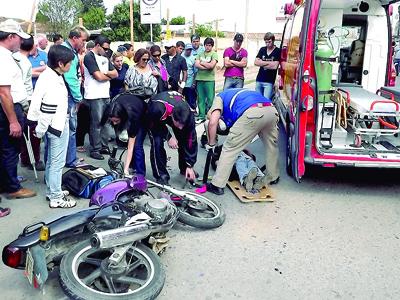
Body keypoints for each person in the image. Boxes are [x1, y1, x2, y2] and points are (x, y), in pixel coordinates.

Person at [28, 45, 76, 208]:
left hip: (55, 124)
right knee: (57, 163)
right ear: (61, 63)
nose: (71, 66)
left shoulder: (52, 74)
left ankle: (52, 189)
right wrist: (40, 130)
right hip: (56, 126)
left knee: (52, 161)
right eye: (69, 63)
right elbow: (47, 109)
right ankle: (55, 197)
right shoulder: (51, 79)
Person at [205, 88, 280, 195]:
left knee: (230, 148)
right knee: (272, 145)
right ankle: (273, 177)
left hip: (252, 113)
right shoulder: (240, 94)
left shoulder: (219, 98)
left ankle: (217, 185)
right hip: (271, 111)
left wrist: (211, 143)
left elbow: (212, 122)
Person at [0, 19, 36, 200]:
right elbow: (4, 92)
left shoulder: (6, 55)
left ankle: (7, 183)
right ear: (11, 37)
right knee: (10, 149)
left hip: (8, 107)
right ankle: (12, 188)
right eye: (18, 39)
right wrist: (13, 120)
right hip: (8, 108)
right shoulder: (4, 57)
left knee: (6, 149)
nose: (21, 42)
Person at [147, 91, 198, 185]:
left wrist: (190, 165)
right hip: (154, 117)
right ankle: (161, 176)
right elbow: (153, 125)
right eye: (178, 125)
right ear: (172, 117)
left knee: (184, 138)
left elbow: (191, 140)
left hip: (174, 108)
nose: (180, 128)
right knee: (157, 143)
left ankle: (184, 168)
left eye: (182, 125)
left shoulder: (189, 115)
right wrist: (168, 136)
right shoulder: (157, 109)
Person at [83, 35, 118, 160]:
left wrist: (106, 74)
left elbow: (115, 73)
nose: (107, 51)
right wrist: (107, 76)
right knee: (96, 123)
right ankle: (95, 148)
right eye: (105, 48)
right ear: (97, 45)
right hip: (94, 95)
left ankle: (103, 145)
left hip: (105, 93)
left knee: (105, 122)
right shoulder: (89, 57)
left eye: (108, 49)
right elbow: (98, 77)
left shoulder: (104, 57)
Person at [14, 35, 45, 171]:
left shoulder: (13, 58)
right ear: (32, 46)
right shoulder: (24, 62)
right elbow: (23, 85)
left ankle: (26, 158)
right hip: (25, 100)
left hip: (17, 99)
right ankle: (34, 159)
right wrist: (27, 106)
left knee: (23, 133)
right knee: (32, 132)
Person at [63, 25, 89, 167]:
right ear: (75, 38)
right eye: (83, 40)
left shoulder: (64, 50)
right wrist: (79, 98)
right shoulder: (69, 54)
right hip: (68, 97)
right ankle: (70, 160)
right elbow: (71, 78)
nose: (84, 44)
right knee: (71, 129)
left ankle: (68, 158)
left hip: (65, 96)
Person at [106, 93, 147, 175]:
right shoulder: (111, 110)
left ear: (123, 118)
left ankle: (140, 174)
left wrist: (125, 169)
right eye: (112, 121)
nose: (114, 124)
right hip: (127, 101)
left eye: (116, 121)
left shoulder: (133, 117)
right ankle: (131, 165)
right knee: (124, 141)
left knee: (137, 145)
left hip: (143, 115)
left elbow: (130, 147)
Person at [194, 37, 218, 123]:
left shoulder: (214, 54)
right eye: (206, 45)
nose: (208, 47)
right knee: (200, 99)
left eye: (209, 45)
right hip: (200, 79)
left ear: (212, 46)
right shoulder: (200, 53)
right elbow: (196, 64)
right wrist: (206, 65)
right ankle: (201, 116)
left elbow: (212, 66)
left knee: (210, 99)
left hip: (209, 80)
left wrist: (202, 63)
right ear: (204, 45)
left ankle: (211, 115)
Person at [254, 32, 281, 99]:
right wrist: (269, 63)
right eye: (266, 42)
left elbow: (275, 66)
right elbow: (256, 62)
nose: (268, 44)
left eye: (269, 42)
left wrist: (262, 63)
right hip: (259, 80)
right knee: (258, 101)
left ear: (273, 40)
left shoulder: (277, 51)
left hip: (269, 81)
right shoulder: (262, 49)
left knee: (267, 102)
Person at [181, 43, 197, 110]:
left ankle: (193, 111)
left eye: (190, 50)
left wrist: (194, 83)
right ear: (185, 49)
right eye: (187, 49)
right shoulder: (181, 57)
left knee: (191, 99)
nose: (189, 51)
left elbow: (195, 72)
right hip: (181, 82)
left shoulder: (193, 58)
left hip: (190, 82)